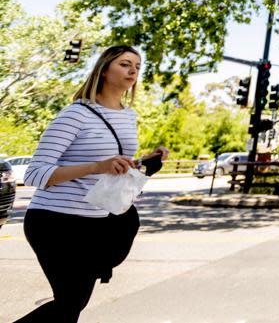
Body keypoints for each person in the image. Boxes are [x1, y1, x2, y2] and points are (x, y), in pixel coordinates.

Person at [14, 45, 169, 323]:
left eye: (137, 65)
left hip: (96, 224)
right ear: (104, 69)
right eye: (124, 64)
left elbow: (115, 168)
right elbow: (34, 174)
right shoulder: (77, 114)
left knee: (72, 305)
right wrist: (96, 166)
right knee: (70, 302)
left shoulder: (127, 115)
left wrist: (147, 162)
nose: (133, 70)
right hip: (55, 222)